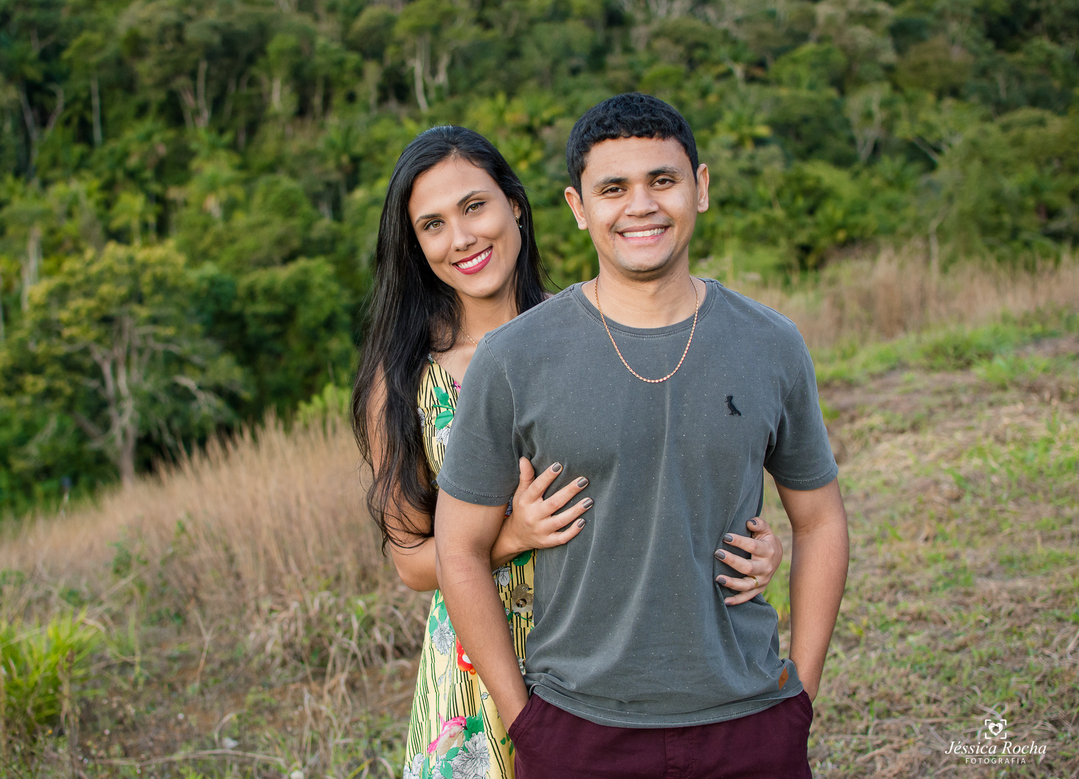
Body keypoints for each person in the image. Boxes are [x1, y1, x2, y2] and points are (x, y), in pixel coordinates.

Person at [433, 95, 850, 778]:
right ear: (577, 206)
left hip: (748, 722)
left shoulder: (770, 343)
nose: (641, 206)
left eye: (662, 180)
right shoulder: (515, 358)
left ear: (700, 187)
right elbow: (457, 549)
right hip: (578, 732)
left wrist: (799, 696)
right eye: (613, 189)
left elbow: (821, 519)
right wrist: (525, 721)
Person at [351, 125, 786, 779]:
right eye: (433, 225)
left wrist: (753, 545)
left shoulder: (597, 331)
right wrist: (511, 535)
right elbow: (412, 562)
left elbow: (662, 480)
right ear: (416, 245)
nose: (461, 238)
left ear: (515, 205)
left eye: (474, 207)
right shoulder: (406, 376)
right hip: (474, 667)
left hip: (606, 650)